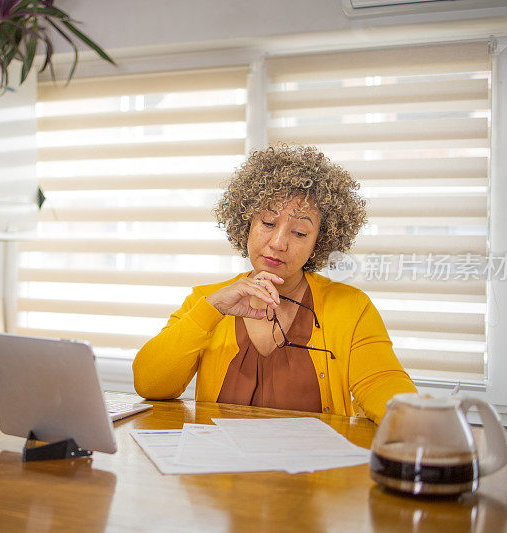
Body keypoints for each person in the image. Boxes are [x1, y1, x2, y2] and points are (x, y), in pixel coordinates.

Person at [132, 144, 416, 424]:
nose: (278, 243)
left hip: (312, 470)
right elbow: (150, 384)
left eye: (299, 232)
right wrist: (212, 309)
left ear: (319, 242)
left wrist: (417, 420)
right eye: (268, 223)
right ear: (246, 223)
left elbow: (383, 382)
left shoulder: (351, 306)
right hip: (219, 469)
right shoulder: (206, 300)